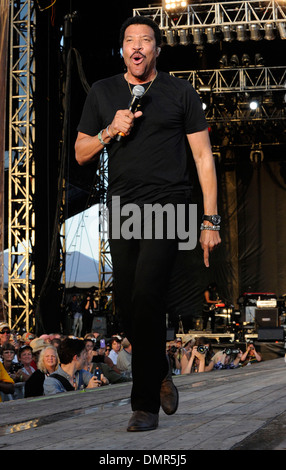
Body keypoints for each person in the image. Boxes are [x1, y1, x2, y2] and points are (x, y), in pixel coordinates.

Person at [75, 16, 221, 432]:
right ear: (122, 49)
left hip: (169, 206)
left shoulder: (179, 91)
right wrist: (109, 130)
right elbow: (81, 152)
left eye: (146, 40)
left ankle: (144, 407)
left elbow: (203, 158)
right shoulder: (103, 92)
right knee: (131, 303)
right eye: (129, 40)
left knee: (147, 290)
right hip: (123, 209)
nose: (137, 46)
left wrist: (210, 219)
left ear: (157, 49)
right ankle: (159, 372)